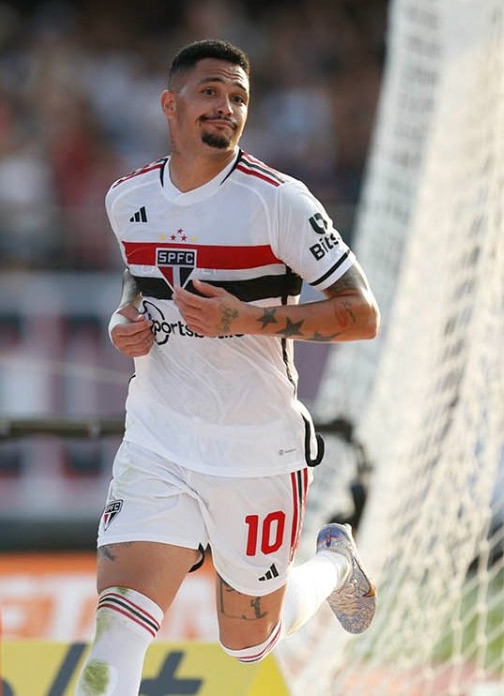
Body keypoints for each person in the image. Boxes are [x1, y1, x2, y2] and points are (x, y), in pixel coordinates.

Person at [77, 40, 379, 696]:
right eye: (211, 91)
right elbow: (138, 284)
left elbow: (362, 315)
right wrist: (120, 323)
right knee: (118, 625)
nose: (227, 107)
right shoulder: (126, 198)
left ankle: (330, 564)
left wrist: (241, 320)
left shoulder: (282, 202)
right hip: (158, 439)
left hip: (256, 449)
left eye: (239, 97)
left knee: (248, 645)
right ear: (171, 103)